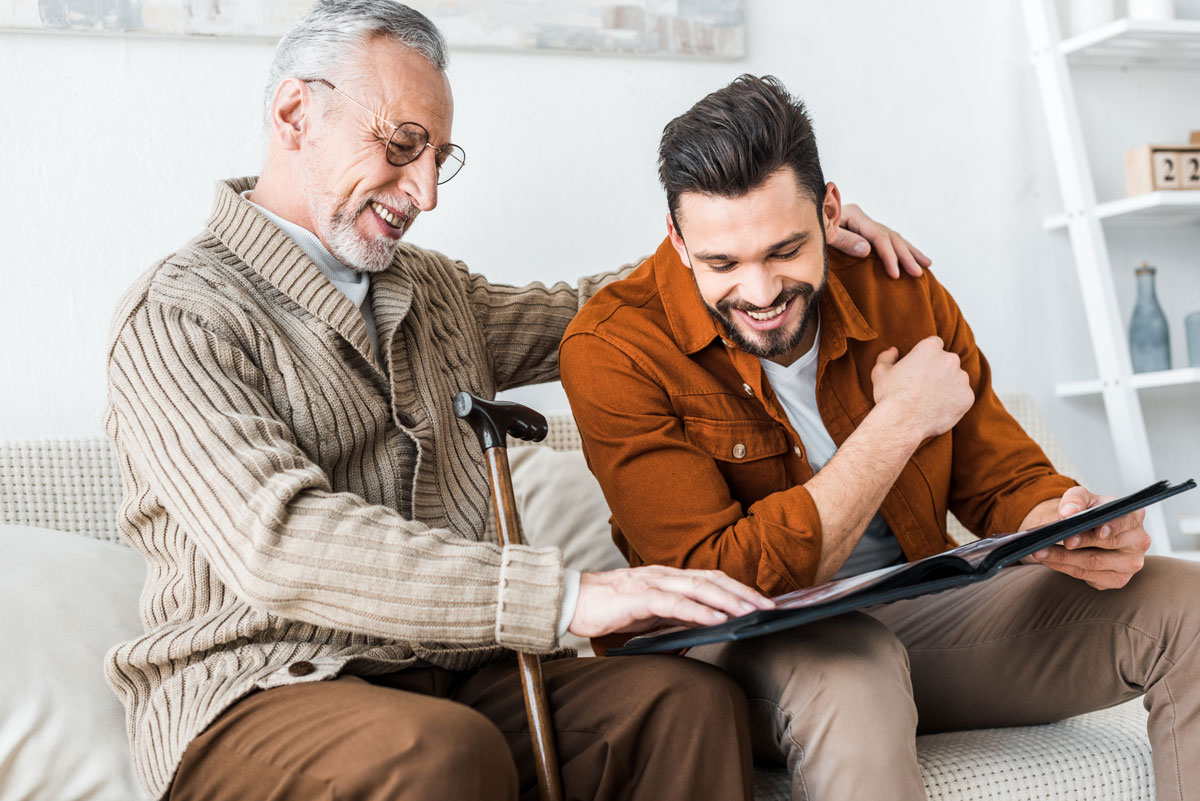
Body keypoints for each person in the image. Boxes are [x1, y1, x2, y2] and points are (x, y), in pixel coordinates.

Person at [102, 4, 926, 799]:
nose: (424, 193)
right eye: (401, 145)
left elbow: (597, 316)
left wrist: (770, 248)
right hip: (256, 694)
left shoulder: (429, 291)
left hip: (451, 673)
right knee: (436, 753)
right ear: (294, 113)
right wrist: (567, 595)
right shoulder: (179, 314)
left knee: (679, 705)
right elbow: (277, 540)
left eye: (438, 158)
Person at [559, 74, 1200, 801]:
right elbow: (721, 579)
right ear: (677, 239)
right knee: (853, 662)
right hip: (724, 649)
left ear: (830, 211)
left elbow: (1001, 477)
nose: (762, 291)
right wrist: (895, 423)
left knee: (1187, 604)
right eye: (723, 264)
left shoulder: (893, 285)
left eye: (785, 250)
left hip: (912, 616)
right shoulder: (615, 347)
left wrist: (1066, 521)